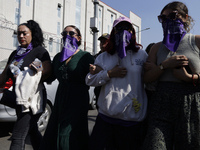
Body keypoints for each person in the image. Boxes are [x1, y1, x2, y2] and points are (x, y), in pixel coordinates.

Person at [142, 1, 200, 149]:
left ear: (185, 18)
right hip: (161, 102)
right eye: (163, 18)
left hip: (190, 102)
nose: (168, 21)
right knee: (155, 145)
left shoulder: (196, 41)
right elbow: (146, 78)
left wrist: (189, 78)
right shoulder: (156, 47)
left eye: (173, 16)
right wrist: (164, 65)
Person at [86, 16, 148, 150]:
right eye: (119, 28)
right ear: (113, 32)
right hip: (105, 118)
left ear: (132, 32)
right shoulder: (103, 56)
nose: (123, 31)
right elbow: (89, 80)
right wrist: (108, 73)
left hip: (131, 121)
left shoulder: (142, 55)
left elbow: (149, 80)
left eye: (127, 28)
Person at [40, 25, 94, 150]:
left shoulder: (86, 57)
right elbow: (51, 77)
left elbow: (95, 78)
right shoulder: (59, 57)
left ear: (79, 38)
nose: (67, 36)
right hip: (61, 98)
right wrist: (39, 71)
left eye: (71, 34)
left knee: (70, 133)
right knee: (55, 130)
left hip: (78, 98)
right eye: (64, 34)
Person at [0, 20, 52, 150]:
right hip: (19, 99)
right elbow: (4, 74)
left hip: (32, 100)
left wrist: (38, 70)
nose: (21, 36)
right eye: (18, 34)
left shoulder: (40, 51)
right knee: (32, 131)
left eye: (24, 33)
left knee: (18, 136)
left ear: (32, 34)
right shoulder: (15, 53)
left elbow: (47, 71)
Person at [93, 33, 109, 110]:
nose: (102, 44)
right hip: (99, 90)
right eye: (101, 42)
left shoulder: (114, 56)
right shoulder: (96, 57)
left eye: (105, 41)